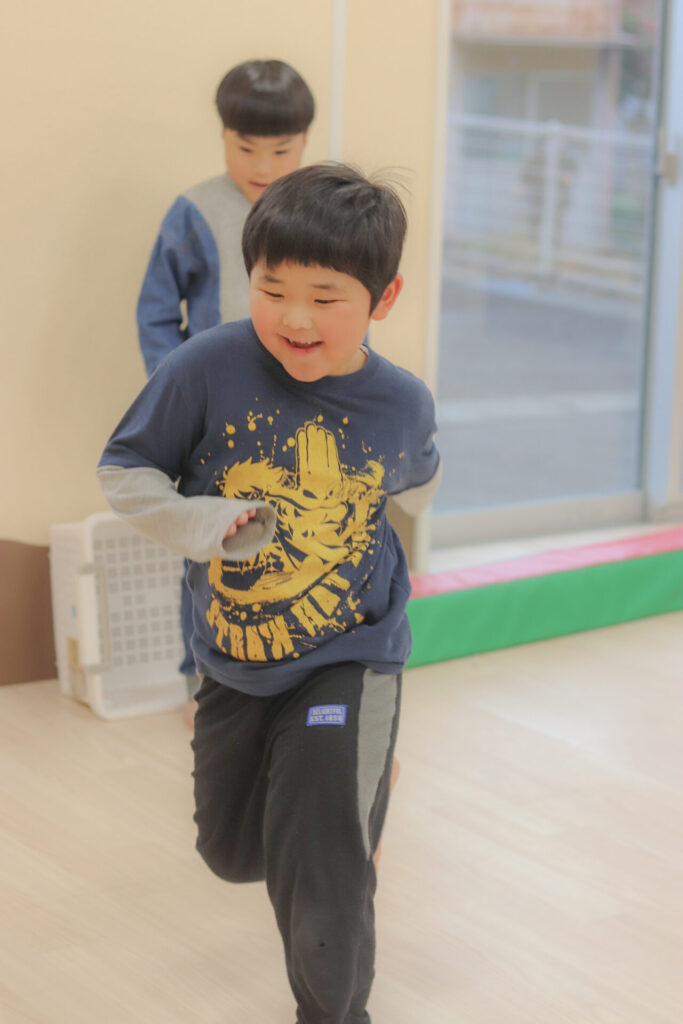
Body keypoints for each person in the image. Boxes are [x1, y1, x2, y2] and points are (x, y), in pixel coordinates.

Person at [98, 163, 441, 1024]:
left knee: (324, 867)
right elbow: (125, 471)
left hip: (352, 653)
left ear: (383, 298)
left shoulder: (401, 402)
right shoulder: (206, 366)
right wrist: (209, 521)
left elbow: (415, 484)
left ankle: (334, 1001)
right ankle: (352, 788)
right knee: (231, 850)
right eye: (271, 288)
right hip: (236, 659)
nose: (294, 317)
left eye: (324, 297)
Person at [136, 59, 315, 704]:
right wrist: (180, 398)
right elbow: (157, 314)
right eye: (245, 148)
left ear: (305, 142)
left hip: (303, 415)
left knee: (298, 541)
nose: (263, 166)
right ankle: (202, 682)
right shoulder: (195, 213)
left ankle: (288, 674)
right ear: (222, 136)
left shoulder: (320, 214)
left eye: (282, 150)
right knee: (210, 545)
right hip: (216, 421)